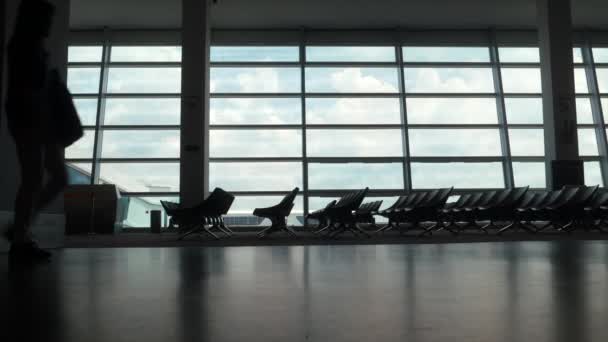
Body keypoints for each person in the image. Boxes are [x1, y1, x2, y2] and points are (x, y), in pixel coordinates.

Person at [2, 0, 67, 260]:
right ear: (35, 20)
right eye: (46, 19)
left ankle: (20, 229)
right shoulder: (23, 47)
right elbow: (27, 89)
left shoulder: (31, 46)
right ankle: (20, 237)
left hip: (37, 119)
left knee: (51, 177)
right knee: (34, 179)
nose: (49, 25)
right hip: (29, 119)